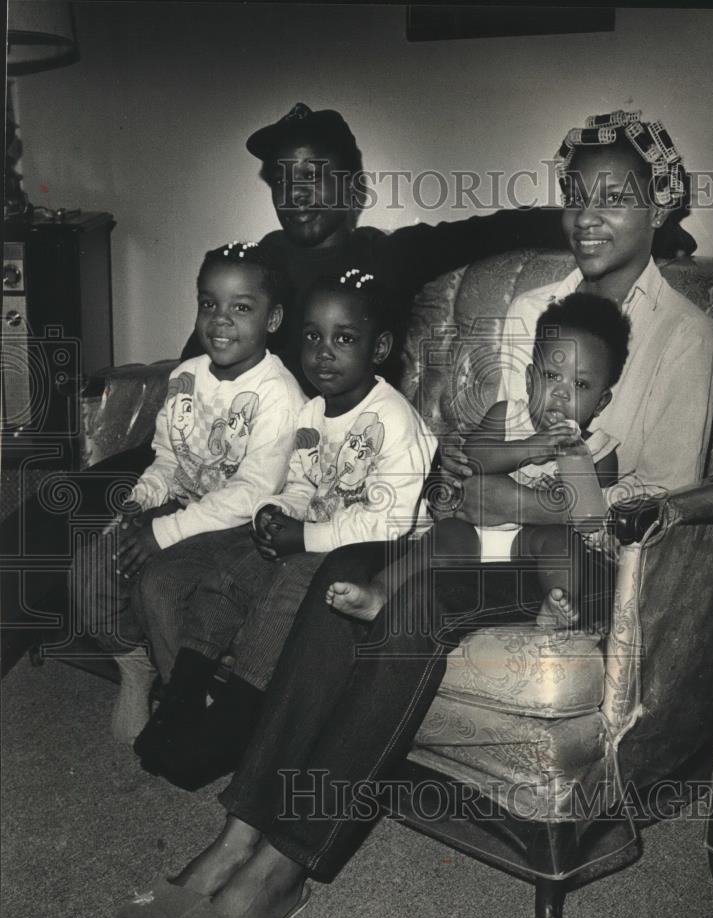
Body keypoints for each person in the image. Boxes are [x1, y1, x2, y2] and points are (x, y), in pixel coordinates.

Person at [107, 112, 713, 918]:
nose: (588, 213)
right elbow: (491, 436)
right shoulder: (527, 306)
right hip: (480, 525)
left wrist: (515, 495)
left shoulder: (684, 335)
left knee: (418, 600)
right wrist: (480, 476)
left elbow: (662, 497)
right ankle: (237, 832)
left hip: (569, 556)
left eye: (615, 195)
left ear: (658, 205)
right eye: (575, 193)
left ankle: (282, 871)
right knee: (349, 571)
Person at [0, 102, 566, 671]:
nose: (295, 194)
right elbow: (198, 365)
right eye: (281, 179)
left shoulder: (386, 255)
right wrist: (165, 464)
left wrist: (601, 215)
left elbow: (493, 228)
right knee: (56, 507)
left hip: (290, 471)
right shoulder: (261, 261)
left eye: (313, 175)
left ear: (353, 187)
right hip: (206, 451)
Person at [131, 270, 436, 786]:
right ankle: (182, 696)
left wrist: (304, 538)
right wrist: (278, 511)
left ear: (379, 347)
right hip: (320, 533)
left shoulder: (394, 419)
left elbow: (389, 519)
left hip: (381, 547)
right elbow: (301, 482)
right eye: (313, 336)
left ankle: (234, 724)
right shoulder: (314, 411)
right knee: (234, 567)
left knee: (290, 587)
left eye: (344, 339)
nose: (323, 352)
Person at [90, 241, 306, 742]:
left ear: (272, 319)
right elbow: (168, 457)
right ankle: (135, 665)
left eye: (241, 307)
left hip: (237, 527)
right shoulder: (185, 377)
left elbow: (253, 492)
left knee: (159, 585)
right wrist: (141, 498)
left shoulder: (279, 395)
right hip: (184, 506)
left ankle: (185, 696)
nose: (221, 320)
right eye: (209, 304)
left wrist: (163, 532)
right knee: (93, 563)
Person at [327, 292, 630, 629]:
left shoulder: (601, 451)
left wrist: (574, 466)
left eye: (580, 384)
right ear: (529, 381)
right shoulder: (506, 416)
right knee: (444, 538)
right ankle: (381, 591)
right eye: (551, 377)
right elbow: (475, 460)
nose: (561, 392)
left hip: (529, 548)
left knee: (562, 544)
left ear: (600, 403)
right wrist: (528, 447)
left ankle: (558, 602)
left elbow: (594, 520)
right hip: (472, 531)